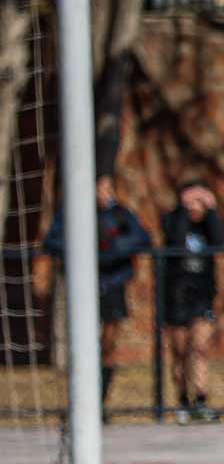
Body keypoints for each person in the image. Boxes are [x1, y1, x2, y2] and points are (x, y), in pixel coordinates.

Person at [45, 174, 150, 416]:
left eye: (106, 187)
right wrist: (83, 247)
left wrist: (114, 250)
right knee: (83, 344)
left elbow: (143, 238)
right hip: (82, 288)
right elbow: (52, 241)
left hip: (112, 285)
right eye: (98, 187)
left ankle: (100, 401)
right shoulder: (72, 213)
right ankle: (80, 401)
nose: (103, 192)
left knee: (109, 344)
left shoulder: (121, 215)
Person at [156, 173, 224, 424]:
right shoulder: (173, 220)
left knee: (200, 347)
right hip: (176, 294)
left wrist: (213, 209)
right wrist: (184, 210)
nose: (197, 206)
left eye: (200, 201)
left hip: (202, 294)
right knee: (180, 350)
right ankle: (183, 400)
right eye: (192, 201)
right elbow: (174, 239)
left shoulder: (208, 226)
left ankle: (202, 399)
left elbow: (219, 241)